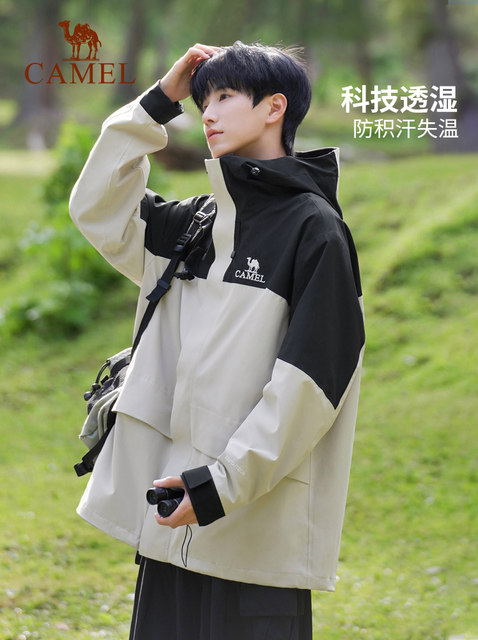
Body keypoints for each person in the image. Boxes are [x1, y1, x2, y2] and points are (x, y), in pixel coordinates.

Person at [69, 41, 365, 640]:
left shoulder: (315, 230)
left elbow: (309, 389)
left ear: (275, 107)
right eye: (203, 99)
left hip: (251, 541)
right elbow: (96, 207)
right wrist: (159, 102)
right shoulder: (195, 225)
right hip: (171, 520)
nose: (207, 113)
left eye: (225, 96)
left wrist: (217, 487)